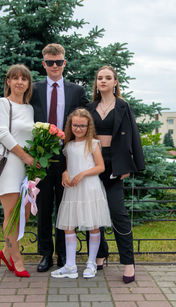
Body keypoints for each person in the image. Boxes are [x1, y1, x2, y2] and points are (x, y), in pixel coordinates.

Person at [30, 43, 89, 272]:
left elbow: (90, 118)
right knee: (44, 208)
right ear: (44, 64)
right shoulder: (33, 89)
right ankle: (46, 254)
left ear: (65, 63)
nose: (55, 66)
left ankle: (65, 255)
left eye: (59, 62)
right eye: (50, 62)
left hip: (68, 159)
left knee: (66, 208)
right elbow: (17, 111)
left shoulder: (76, 90)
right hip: (42, 158)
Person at [87, 65, 145, 283]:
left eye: (108, 77)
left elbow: (133, 137)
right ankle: (100, 255)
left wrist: (130, 166)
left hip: (115, 165)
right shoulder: (90, 107)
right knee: (93, 214)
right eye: (100, 78)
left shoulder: (123, 106)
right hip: (93, 163)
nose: (103, 81)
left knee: (118, 214)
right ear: (96, 83)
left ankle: (128, 263)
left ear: (115, 82)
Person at [51, 108, 111, 279]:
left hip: (90, 188)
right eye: (75, 125)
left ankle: (91, 263)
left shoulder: (92, 143)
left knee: (92, 226)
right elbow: (68, 166)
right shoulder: (68, 145)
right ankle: (70, 266)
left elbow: (101, 167)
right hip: (73, 189)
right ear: (70, 125)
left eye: (82, 125)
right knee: (69, 226)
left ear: (88, 126)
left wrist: (83, 173)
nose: (78, 128)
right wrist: (65, 173)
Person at [0, 64, 37, 277]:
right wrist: (24, 156)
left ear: (28, 84)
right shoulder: (3, 103)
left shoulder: (29, 108)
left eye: (24, 78)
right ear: (8, 81)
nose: (20, 82)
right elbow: (2, 132)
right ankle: (17, 260)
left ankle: (5, 251)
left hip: (27, 167)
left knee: (25, 214)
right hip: (9, 163)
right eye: (15, 78)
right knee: (11, 215)